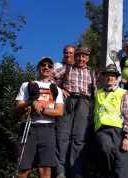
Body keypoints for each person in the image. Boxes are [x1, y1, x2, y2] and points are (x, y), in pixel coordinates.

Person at [51, 46, 96, 178]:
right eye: (78, 56)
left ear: (87, 58)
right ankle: (60, 172)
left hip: (84, 103)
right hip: (68, 101)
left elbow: (95, 90)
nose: (81, 58)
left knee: (80, 138)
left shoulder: (92, 72)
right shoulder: (66, 68)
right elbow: (51, 78)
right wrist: (60, 90)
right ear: (75, 57)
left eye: (83, 56)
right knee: (62, 137)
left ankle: (75, 172)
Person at [15, 57, 64, 178]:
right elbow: (17, 108)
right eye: (43, 65)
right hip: (29, 126)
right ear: (38, 67)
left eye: (49, 66)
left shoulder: (56, 89)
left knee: (46, 169)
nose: (46, 67)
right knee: (23, 169)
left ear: (52, 70)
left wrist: (41, 109)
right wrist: (31, 102)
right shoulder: (26, 85)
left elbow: (59, 112)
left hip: (48, 128)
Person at [94, 64, 128, 178]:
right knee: (105, 149)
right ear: (103, 77)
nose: (109, 78)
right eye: (107, 75)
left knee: (122, 163)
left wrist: (127, 136)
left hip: (119, 131)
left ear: (116, 79)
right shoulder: (98, 93)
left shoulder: (122, 93)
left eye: (112, 75)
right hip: (102, 130)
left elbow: (127, 115)